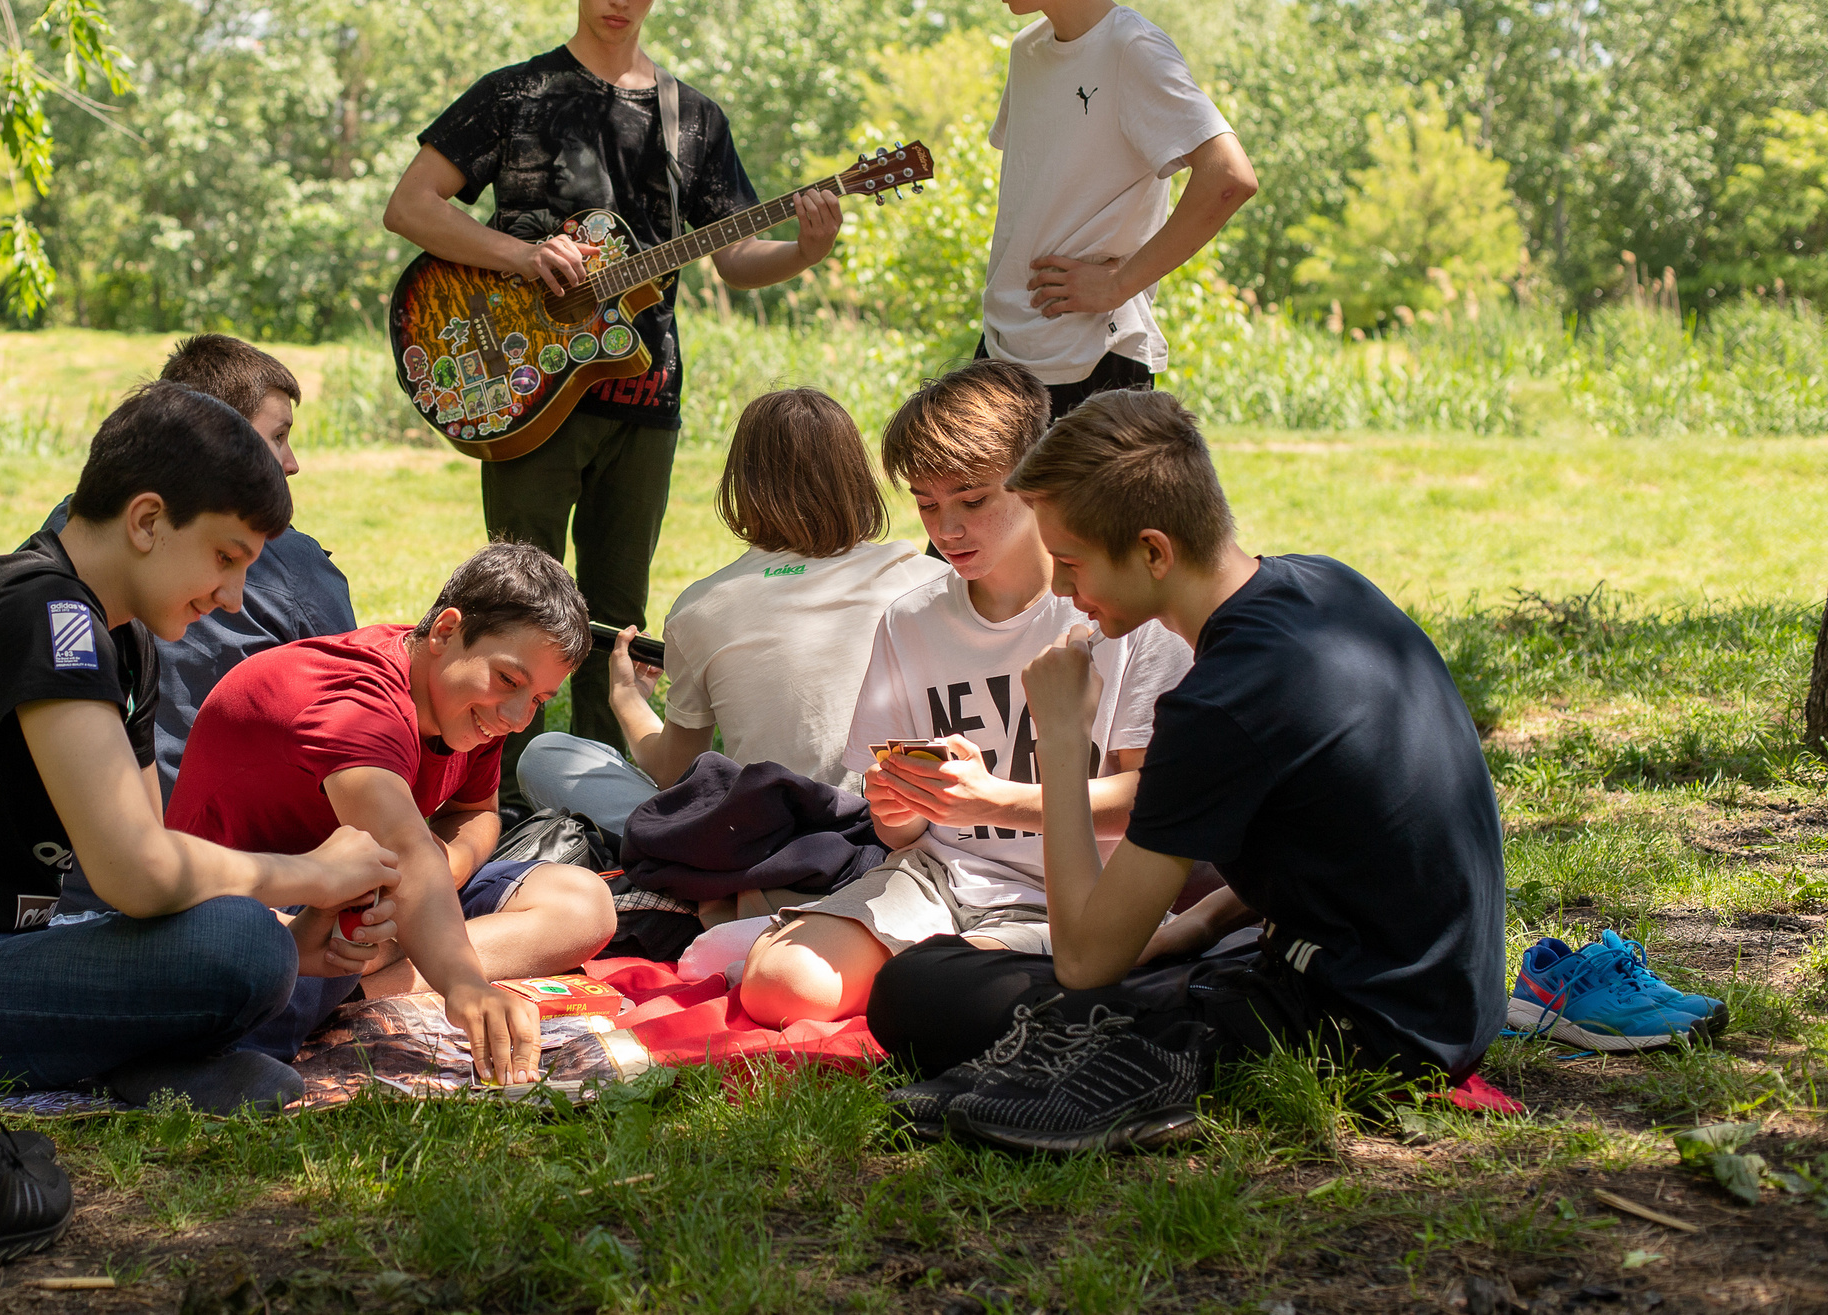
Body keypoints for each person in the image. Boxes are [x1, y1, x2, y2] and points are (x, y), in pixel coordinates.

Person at [870, 390, 1509, 1154]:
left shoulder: (1222, 700)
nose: (1064, 591)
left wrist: (1062, 738)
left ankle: (1136, 1074)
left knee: (916, 989)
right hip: (1446, 997)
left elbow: (1085, 961)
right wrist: (1195, 925)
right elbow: (1334, 833)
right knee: (1021, 967)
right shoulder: (1323, 585)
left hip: (1363, 1031)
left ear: (1153, 551)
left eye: (1070, 563)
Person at [0, 383, 402, 1114]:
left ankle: (128, 1057)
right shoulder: (42, 614)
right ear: (147, 520)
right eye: (226, 557)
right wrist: (313, 875)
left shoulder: (123, 639)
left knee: (264, 941)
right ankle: (133, 1060)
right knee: (246, 947)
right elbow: (139, 874)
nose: (233, 596)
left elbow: (147, 863)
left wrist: (297, 933)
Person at [384, 0, 844, 781]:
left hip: (643, 392)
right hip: (522, 383)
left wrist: (804, 250)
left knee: (615, 618)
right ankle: (486, 791)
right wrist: (522, 256)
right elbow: (412, 205)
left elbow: (735, 255)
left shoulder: (692, 118)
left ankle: (595, 799)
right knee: (510, 603)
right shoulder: (514, 95)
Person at [738, 362, 1192, 1031]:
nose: (946, 528)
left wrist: (994, 801)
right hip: (940, 879)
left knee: (941, 991)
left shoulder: (1121, 615)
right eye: (926, 504)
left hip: (1074, 896)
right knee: (782, 986)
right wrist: (897, 804)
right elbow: (898, 830)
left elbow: (1151, 803)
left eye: (973, 500)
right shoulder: (911, 620)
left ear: (1036, 482)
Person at [151, 541, 621, 1086]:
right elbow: (404, 847)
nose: (518, 718)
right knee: (256, 995)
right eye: (510, 681)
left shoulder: (466, 702)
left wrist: (446, 868)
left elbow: (476, 812)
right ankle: (380, 973)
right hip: (255, 917)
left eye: (539, 699)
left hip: (367, 903)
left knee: (584, 903)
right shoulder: (360, 703)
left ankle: (366, 985)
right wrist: (464, 982)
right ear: (446, 631)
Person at [518, 387, 946, 836]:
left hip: (766, 843)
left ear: (743, 484)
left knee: (547, 756)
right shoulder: (927, 578)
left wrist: (627, 697)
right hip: (904, 831)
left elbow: (674, 773)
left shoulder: (701, 608)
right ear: (856, 477)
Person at [969, 0, 1259, 419]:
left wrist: (1118, 284)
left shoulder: (1134, 49)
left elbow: (1230, 177)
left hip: (1094, 362)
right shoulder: (1026, 52)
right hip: (1002, 355)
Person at [35, 334, 355, 800]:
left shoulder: (79, 547)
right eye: (277, 437)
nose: (291, 464)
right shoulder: (47, 620)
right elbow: (355, 717)